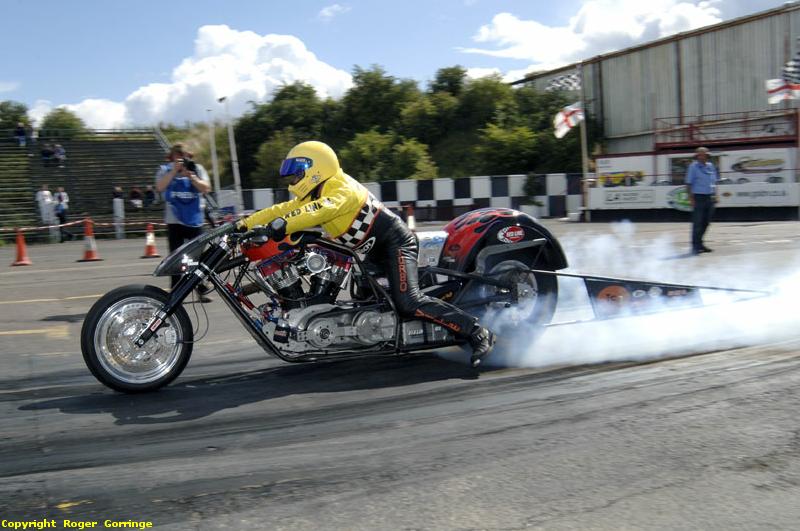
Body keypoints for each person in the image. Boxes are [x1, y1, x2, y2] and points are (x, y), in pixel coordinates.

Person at [238, 141, 496, 366]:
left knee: (408, 302)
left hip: (396, 244)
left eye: (296, 174)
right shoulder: (314, 193)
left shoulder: (341, 189)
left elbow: (320, 210)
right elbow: (280, 209)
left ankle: (476, 332)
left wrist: (281, 225)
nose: (293, 181)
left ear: (316, 169)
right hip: (371, 252)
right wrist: (243, 224)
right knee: (366, 302)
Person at [155, 144, 213, 302]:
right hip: (175, 221)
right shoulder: (165, 170)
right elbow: (160, 187)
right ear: (172, 156)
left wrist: (191, 176)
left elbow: (206, 188)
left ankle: (200, 287)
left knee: (197, 257)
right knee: (175, 257)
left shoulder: (197, 169)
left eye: (185, 155)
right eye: (179, 155)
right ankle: (175, 293)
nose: (182, 158)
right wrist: (174, 171)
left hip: (195, 220)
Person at [685, 146, 719, 255]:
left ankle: (700, 243)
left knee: (706, 222)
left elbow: (714, 182)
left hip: (710, 197)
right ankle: (695, 246)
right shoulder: (693, 167)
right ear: (697, 156)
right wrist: (691, 198)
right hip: (698, 197)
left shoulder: (711, 166)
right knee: (697, 223)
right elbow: (688, 183)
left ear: (707, 155)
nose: (702, 157)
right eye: (700, 155)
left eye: (704, 154)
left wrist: (716, 194)